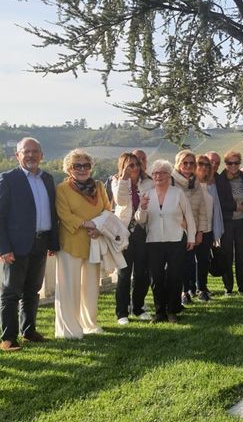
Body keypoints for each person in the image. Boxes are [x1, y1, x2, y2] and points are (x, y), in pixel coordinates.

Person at [0, 137, 59, 351]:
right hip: (15, 246)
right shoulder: (8, 179)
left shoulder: (47, 179)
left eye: (35, 151)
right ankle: (8, 338)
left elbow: (52, 211)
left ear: (42, 155)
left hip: (41, 243)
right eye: (26, 151)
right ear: (18, 155)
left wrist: (53, 242)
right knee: (11, 293)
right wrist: (3, 247)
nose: (31, 155)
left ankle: (29, 331)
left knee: (32, 291)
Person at [55, 150, 111, 339]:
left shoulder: (99, 186)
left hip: (94, 241)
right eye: (77, 165)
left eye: (86, 165)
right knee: (69, 288)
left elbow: (107, 209)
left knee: (91, 287)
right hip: (70, 243)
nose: (82, 169)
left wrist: (99, 228)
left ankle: (89, 324)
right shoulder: (62, 189)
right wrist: (88, 224)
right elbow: (64, 215)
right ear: (69, 169)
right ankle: (69, 329)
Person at [136, 160, 196, 322]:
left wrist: (191, 237)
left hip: (176, 239)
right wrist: (142, 207)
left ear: (169, 175)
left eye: (162, 172)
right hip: (154, 241)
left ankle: (172, 310)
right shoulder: (147, 195)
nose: (159, 176)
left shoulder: (178, 193)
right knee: (156, 278)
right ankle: (159, 311)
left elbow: (189, 216)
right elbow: (140, 220)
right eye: (155, 173)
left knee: (174, 276)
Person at [111, 152, 154, 325]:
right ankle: (122, 312)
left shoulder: (148, 182)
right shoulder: (117, 181)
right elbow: (120, 201)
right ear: (122, 166)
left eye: (136, 164)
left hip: (143, 231)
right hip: (124, 232)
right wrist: (124, 179)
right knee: (124, 273)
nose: (134, 168)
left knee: (142, 273)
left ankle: (138, 307)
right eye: (130, 165)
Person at [172, 151, 208, 303]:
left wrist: (200, 231)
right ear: (178, 164)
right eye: (184, 162)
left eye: (191, 163)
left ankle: (189, 291)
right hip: (176, 229)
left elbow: (202, 210)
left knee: (189, 263)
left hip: (193, 230)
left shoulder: (196, 183)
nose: (188, 166)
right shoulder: (171, 181)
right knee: (178, 263)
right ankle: (181, 292)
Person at [216, 151, 243, 295]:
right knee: (227, 255)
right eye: (230, 163)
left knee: (241, 255)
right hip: (227, 222)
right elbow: (219, 201)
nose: (233, 166)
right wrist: (235, 206)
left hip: (242, 222)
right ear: (226, 164)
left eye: (236, 163)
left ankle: (242, 287)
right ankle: (228, 287)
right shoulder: (220, 179)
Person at [195, 154, 225, 301]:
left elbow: (215, 208)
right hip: (192, 229)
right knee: (190, 261)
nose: (205, 167)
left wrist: (215, 230)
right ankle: (188, 290)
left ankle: (202, 288)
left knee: (204, 260)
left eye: (207, 165)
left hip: (208, 228)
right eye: (201, 164)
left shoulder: (211, 185)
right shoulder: (190, 185)